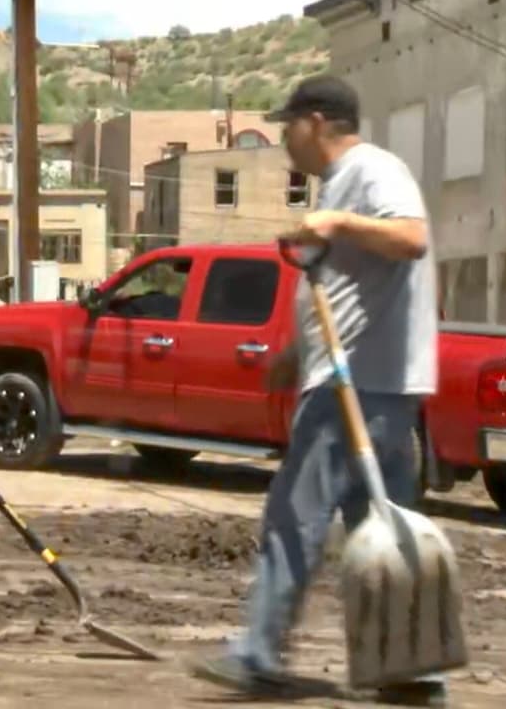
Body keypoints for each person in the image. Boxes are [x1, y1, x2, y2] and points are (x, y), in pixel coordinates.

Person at [190, 75, 445, 707]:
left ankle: (258, 654)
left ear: (317, 122)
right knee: (376, 529)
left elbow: (411, 238)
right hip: (372, 384)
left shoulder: (370, 170)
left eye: (288, 126)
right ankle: (409, 670)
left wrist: (337, 221)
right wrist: (293, 354)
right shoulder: (344, 181)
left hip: (355, 385)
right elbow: (354, 284)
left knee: (295, 515)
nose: (284, 139)